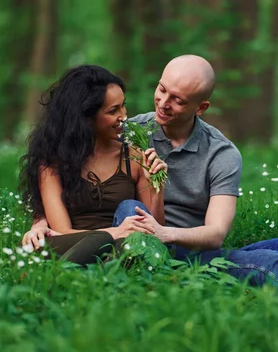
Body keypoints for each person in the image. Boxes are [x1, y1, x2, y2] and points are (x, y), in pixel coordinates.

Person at [22, 55, 278, 287]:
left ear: (201, 107)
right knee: (133, 210)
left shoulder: (222, 154)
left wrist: (162, 231)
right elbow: (71, 151)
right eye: (161, 89)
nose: (163, 104)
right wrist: (41, 219)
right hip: (132, 240)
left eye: (178, 100)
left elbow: (215, 234)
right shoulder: (130, 131)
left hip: (183, 246)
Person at [19, 65, 167, 266]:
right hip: (73, 245)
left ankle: (105, 271)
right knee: (101, 240)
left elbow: (154, 230)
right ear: (85, 117)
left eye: (123, 105)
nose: (123, 116)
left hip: (120, 244)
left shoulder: (133, 156)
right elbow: (62, 231)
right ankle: (67, 275)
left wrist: (157, 188)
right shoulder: (52, 162)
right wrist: (114, 232)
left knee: (129, 243)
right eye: (113, 110)